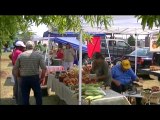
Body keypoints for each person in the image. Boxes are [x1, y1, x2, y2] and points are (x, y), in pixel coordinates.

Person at [14, 41, 47, 105]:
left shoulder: (21, 55)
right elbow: (44, 68)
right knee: (38, 96)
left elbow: (15, 68)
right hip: (35, 78)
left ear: (26, 47)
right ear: (33, 47)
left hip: (24, 78)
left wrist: (18, 76)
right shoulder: (38, 55)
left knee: (25, 97)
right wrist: (42, 78)